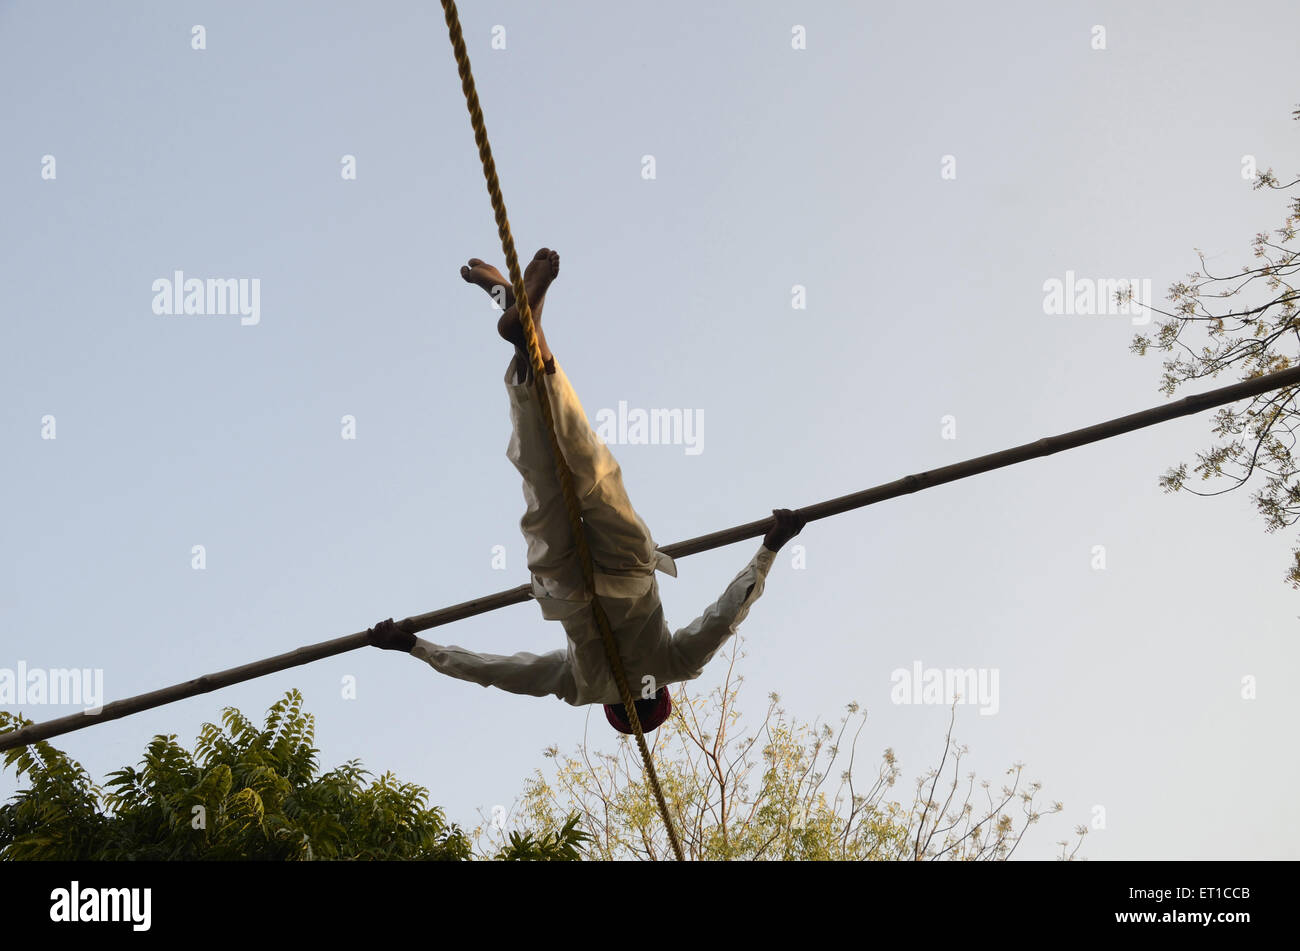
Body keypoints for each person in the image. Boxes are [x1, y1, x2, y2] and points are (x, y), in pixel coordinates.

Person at [368, 248, 805, 734]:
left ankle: (525, 327)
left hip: (626, 565)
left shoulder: (671, 667)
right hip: (565, 583)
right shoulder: (581, 686)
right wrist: (416, 647)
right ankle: (523, 332)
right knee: (538, 468)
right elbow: (496, 674)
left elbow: (726, 616)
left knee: (587, 464)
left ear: (659, 697)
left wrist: (771, 547)